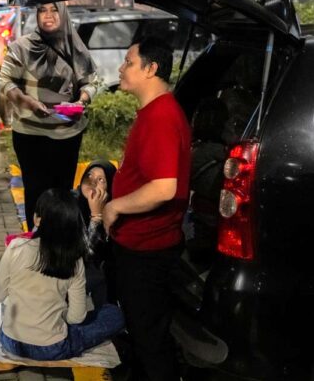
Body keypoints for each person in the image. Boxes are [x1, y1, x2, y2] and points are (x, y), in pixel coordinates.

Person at [102, 36, 192, 380]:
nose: (121, 69)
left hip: (148, 250)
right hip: (138, 245)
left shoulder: (161, 117)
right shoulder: (153, 112)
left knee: (151, 339)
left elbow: (163, 187)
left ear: (151, 69)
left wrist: (115, 207)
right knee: (142, 334)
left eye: (129, 62)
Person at [0, 2, 101, 230]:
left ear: (63, 13)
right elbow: (4, 81)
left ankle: (59, 242)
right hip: (30, 134)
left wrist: (81, 100)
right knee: (35, 192)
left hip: (67, 134)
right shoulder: (22, 47)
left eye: (54, 9)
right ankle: (36, 242)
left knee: (62, 194)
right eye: (42, 10)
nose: (48, 15)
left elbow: (92, 82)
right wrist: (25, 100)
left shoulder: (76, 48)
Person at [0, 189, 125, 361]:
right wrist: (58, 316)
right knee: (114, 314)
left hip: (10, 341)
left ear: (36, 219)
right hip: (51, 348)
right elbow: (76, 318)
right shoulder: (74, 259)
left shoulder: (16, 247)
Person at [74, 160, 117, 308]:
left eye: (101, 180)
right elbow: (85, 255)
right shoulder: (71, 204)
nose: (92, 183)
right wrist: (96, 216)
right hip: (71, 271)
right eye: (89, 176)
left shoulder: (114, 208)